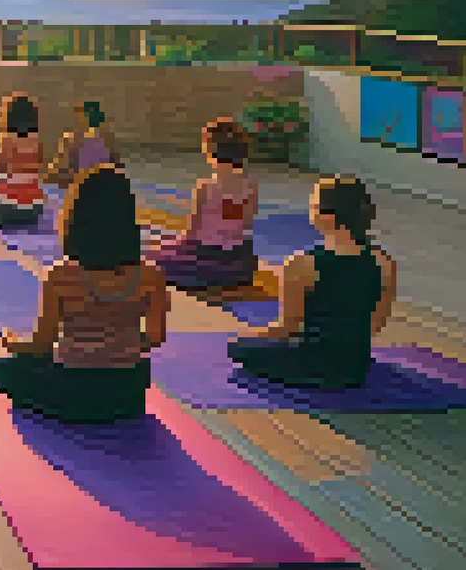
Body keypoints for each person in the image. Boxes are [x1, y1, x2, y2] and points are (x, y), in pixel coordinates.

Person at [0, 165, 170, 423]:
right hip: (128, 392)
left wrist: (11, 341)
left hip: (71, 389)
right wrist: (117, 348)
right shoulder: (151, 277)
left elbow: (41, 345)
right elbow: (155, 336)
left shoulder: (61, 276)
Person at [228, 177, 397, 389]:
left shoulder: (301, 264)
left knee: (237, 347)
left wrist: (249, 335)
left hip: (312, 364)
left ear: (326, 216)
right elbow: (375, 325)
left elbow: (286, 328)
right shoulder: (384, 263)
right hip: (355, 367)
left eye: (313, 205)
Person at [146, 118, 260, 291]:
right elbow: (246, 225)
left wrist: (171, 246)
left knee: (153, 254)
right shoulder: (251, 186)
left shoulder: (206, 187)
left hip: (208, 254)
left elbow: (191, 234)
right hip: (239, 258)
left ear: (211, 153)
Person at [0, 92, 46, 229]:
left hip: (9, 207)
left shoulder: (5, 140)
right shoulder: (36, 142)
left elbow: (0, 169)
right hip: (34, 209)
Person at [46, 101, 120, 189]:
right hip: (100, 186)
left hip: (83, 188)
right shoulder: (107, 140)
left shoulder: (72, 140)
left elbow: (54, 173)